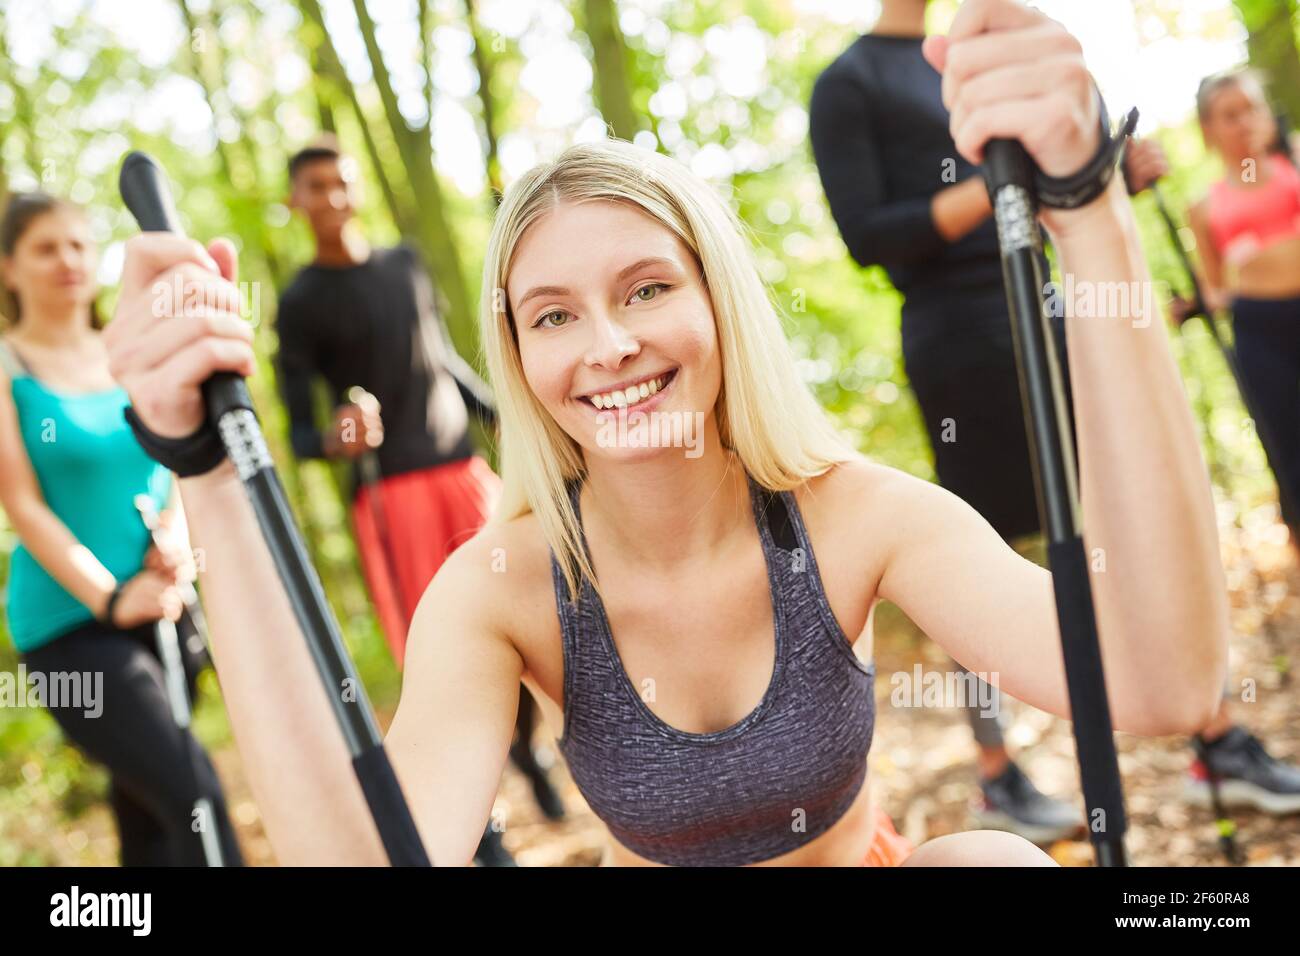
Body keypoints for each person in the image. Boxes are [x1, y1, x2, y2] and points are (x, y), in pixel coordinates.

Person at [105, 0, 1229, 867]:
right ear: (518, 353)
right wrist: (203, 468)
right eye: (553, 314)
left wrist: (1086, 210)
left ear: (717, 302)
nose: (607, 344)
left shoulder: (850, 512)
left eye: (646, 289)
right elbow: (368, 860)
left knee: (990, 858)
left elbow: (1156, 676)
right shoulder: (501, 585)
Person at [806, 0, 1174, 842]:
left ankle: (1192, 726)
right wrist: (1003, 186)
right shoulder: (849, 81)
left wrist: (1098, 183)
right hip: (957, 331)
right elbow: (869, 234)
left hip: (1048, 305)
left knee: (1103, 513)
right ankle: (999, 771)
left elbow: (1047, 199)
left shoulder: (983, 56)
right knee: (978, 546)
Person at [274, 138, 563, 865]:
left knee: (534, 623)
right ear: (294, 202)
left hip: (465, 475)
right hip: (390, 498)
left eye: (340, 183)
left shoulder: (405, 263)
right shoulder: (299, 302)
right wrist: (339, 435)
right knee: (443, 661)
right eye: (316, 188)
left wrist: (513, 414)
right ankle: (483, 834)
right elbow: (303, 433)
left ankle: (526, 755)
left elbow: (442, 361)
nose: (333, 198)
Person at [0, 192, 243, 866]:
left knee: (153, 830)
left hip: (163, 609)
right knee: (197, 800)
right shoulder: (6, 366)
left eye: (78, 244)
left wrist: (174, 534)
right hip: (72, 628)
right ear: (8, 267)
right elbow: (21, 504)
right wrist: (111, 596)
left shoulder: (126, 350)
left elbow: (169, 462)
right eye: (45, 247)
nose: (68, 260)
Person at [1165, 68, 1300, 815]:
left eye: (1249, 104)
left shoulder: (1295, 163)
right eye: (1225, 112)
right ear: (1209, 129)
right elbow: (1217, 287)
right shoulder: (1204, 205)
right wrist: (1190, 303)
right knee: (1291, 467)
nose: (1242, 120)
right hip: (1262, 339)